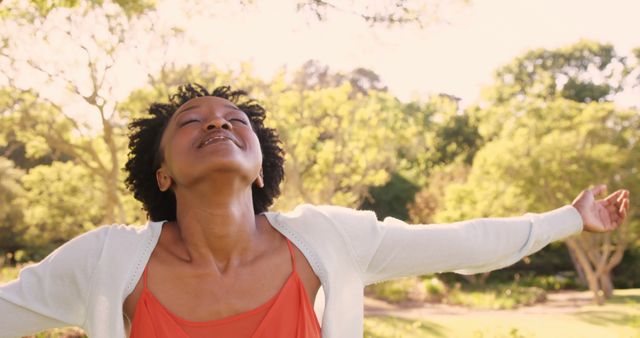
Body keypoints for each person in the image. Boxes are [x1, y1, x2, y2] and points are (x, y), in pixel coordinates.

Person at [0, 84, 630, 338]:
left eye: (234, 120)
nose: (217, 122)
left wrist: (569, 219)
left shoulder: (328, 241)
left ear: (259, 161)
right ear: (162, 172)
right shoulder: (109, 260)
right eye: (192, 121)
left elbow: (461, 244)